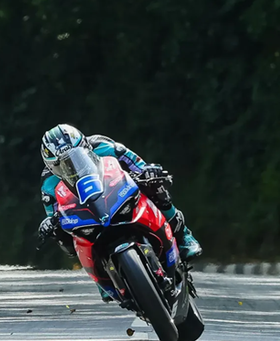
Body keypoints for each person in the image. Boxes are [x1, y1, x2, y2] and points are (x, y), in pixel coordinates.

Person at [35, 123, 203, 299]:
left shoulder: (104, 146)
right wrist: (50, 224)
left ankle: (184, 236)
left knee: (155, 187)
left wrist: (149, 172)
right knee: (63, 234)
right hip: (86, 213)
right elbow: (54, 212)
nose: (71, 166)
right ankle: (101, 277)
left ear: (85, 146)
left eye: (77, 156)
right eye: (62, 164)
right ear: (51, 165)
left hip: (118, 193)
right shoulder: (48, 182)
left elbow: (138, 164)